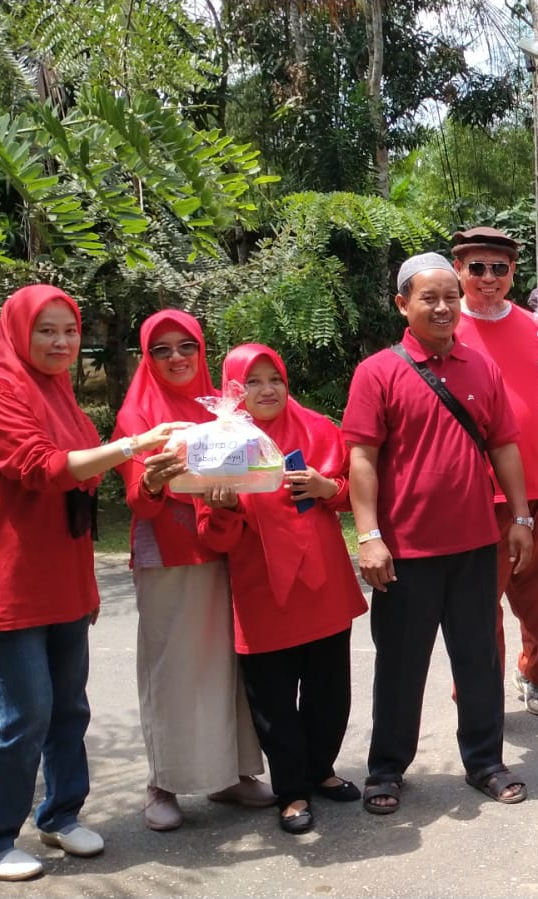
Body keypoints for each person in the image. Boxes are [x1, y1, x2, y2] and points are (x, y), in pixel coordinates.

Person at [0, 285, 183, 880]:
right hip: (7, 578)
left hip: (62, 574)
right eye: (46, 330)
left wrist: (86, 586)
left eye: (70, 330)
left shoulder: (56, 390)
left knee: (69, 708)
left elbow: (81, 489)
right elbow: (42, 469)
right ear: (17, 331)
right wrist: (132, 445)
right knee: (27, 713)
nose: (61, 342)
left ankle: (60, 815)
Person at [341, 253, 534, 815]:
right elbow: (362, 458)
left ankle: (486, 763)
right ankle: (386, 769)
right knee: (401, 667)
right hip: (406, 551)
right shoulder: (378, 371)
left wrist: (521, 518)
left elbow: (504, 446)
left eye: (451, 296)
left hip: (475, 544)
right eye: (430, 298)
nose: (444, 307)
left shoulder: (482, 367)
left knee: (479, 661)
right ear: (403, 305)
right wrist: (368, 536)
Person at [195, 345, 368, 835]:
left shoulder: (318, 429)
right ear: (233, 391)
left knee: (330, 692)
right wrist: (224, 508)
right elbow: (213, 538)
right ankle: (291, 790)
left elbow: (352, 493)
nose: (267, 389)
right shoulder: (220, 444)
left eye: (274, 378)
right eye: (252, 382)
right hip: (262, 590)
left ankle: (321, 771)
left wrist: (327, 488)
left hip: (322, 585)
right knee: (273, 702)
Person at [115, 309, 273, 831]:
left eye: (186, 346)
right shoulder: (138, 414)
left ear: (202, 350)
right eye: (161, 350)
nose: (177, 357)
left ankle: (229, 774)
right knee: (173, 670)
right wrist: (154, 481)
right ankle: (162, 783)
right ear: (147, 358)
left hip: (227, 550)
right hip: (168, 556)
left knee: (228, 668)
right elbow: (137, 499)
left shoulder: (223, 410)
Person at [451, 225, 538, 716]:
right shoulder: (441, 328)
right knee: (479, 608)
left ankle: (537, 675)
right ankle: (479, 695)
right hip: (473, 494)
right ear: (458, 269)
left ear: (513, 272)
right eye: (476, 267)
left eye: (498, 268)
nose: (488, 277)